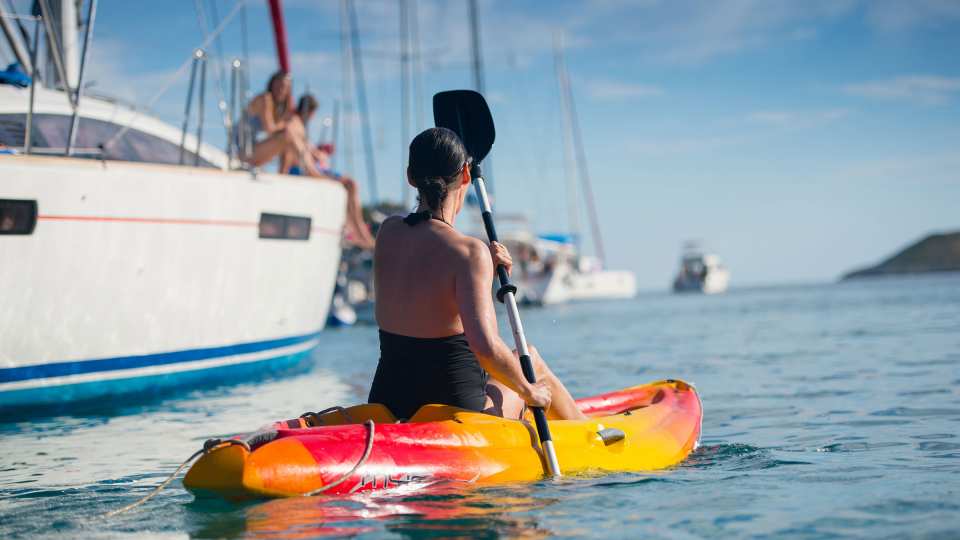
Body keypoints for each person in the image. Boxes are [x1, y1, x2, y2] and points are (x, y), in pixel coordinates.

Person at [368, 127, 587, 421]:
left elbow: (427, 270)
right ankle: (588, 434)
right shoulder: (469, 253)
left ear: (410, 176)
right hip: (459, 416)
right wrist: (529, 392)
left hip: (391, 404)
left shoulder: (388, 231)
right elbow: (485, 347)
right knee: (529, 358)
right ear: (467, 176)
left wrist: (484, 266)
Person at [280, 94, 376, 250]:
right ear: (309, 111)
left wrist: (319, 152)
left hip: (313, 168)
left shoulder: (298, 125)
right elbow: (298, 157)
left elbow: (307, 151)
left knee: (351, 185)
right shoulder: (294, 124)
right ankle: (358, 232)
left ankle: (359, 231)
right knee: (350, 184)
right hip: (304, 171)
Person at [244, 71, 298, 168]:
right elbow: (270, 129)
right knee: (288, 135)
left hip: (253, 150)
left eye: (286, 88)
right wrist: (286, 125)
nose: (282, 90)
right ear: (272, 85)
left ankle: (285, 174)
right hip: (242, 151)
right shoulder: (265, 99)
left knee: (290, 134)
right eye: (279, 86)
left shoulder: (277, 107)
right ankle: (310, 169)